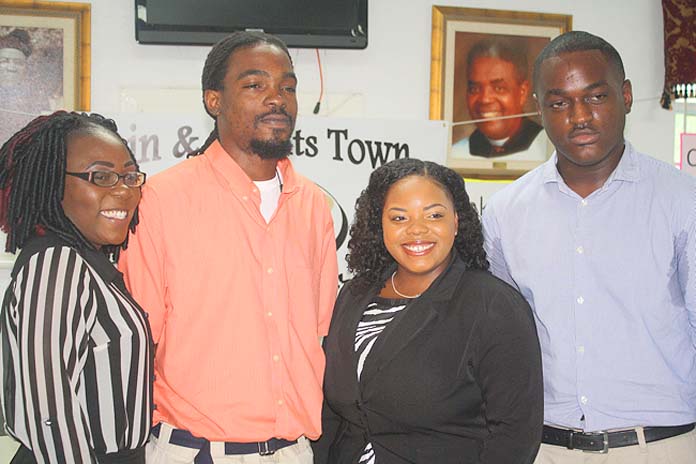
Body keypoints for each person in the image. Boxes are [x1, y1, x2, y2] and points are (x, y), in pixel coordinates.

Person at [118, 31, 338, 463]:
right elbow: (139, 342)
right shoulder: (162, 198)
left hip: (294, 452)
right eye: (255, 85)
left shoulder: (312, 203)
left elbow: (318, 330)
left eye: (288, 87)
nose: (278, 99)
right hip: (195, 450)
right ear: (213, 101)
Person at [482, 30, 696, 463]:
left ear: (627, 96)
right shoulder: (505, 212)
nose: (579, 116)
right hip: (545, 448)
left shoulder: (682, 201)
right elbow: (498, 341)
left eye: (596, 97)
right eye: (559, 103)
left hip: (660, 447)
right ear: (539, 111)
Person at [313, 158, 543, 463]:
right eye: (399, 218)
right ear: (379, 224)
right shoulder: (353, 296)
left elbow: (514, 435)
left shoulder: (494, 306)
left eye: (434, 215)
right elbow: (331, 414)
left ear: (457, 221)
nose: (417, 230)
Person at [0, 111, 153, 463]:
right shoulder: (57, 264)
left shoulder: (87, 263)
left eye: (130, 176)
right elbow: (47, 410)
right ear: (54, 183)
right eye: (100, 176)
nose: (123, 190)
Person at [451, 38, 547, 161]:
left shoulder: (548, 149)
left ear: (522, 92)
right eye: (475, 89)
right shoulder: (456, 154)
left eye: (499, 88)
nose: (485, 99)